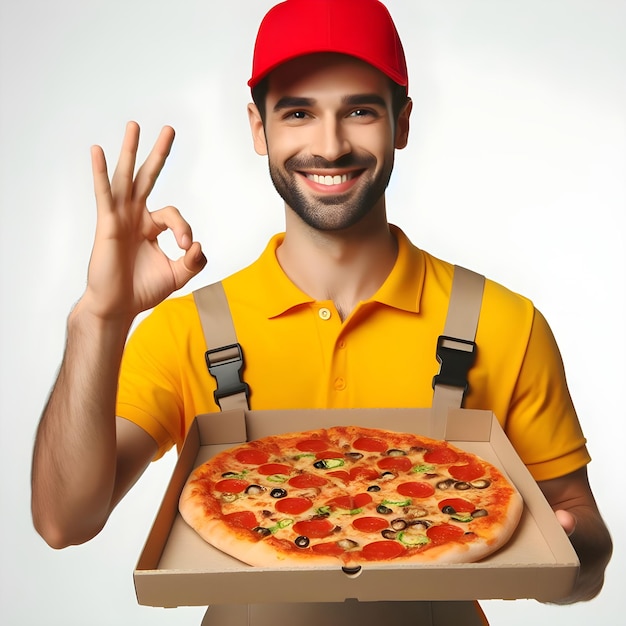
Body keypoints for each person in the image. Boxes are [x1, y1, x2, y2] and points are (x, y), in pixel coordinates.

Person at [31, 0, 611, 622]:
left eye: (360, 110)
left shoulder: (504, 322)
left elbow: (588, 561)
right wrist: (98, 317)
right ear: (258, 128)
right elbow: (65, 522)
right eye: (298, 113)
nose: (330, 146)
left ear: (403, 123)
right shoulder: (185, 330)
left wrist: (557, 554)